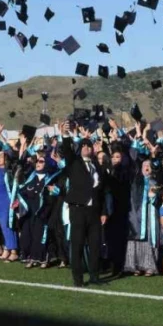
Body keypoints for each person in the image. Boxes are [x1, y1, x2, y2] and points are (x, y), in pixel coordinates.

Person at [59, 121, 106, 288]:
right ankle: (77, 278)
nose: (87, 148)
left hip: (94, 211)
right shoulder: (74, 163)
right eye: (84, 146)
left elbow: (102, 191)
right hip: (78, 209)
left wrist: (103, 211)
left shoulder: (96, 166)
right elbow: (67, 151)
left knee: (95, 245)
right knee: (77, 245)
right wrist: (65, 135)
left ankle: (94, 276)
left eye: (89, 146)